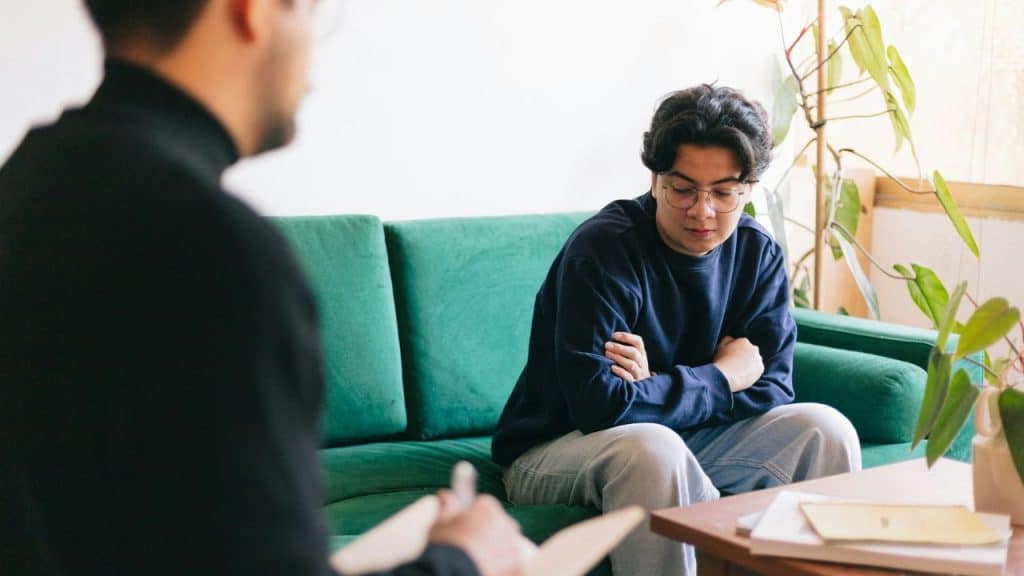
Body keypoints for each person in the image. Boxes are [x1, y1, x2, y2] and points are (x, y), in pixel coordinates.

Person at [0, 1, 523, 575]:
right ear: (251, 12)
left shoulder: (26, 185)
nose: (314, 49)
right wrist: (461, 559)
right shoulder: (217, 254)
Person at [491, 84, 862, 576]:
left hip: (684, 436)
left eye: (724, 193)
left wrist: (655, 387)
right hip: (556, 447)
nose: (702, 211)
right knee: (652, 448)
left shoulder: (757, 254)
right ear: (655, 178)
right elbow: (601, 407)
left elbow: (774, 386)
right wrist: (724, 375)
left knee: (825, 430)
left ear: (749, 188)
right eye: (683, 189)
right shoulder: (604, 251)